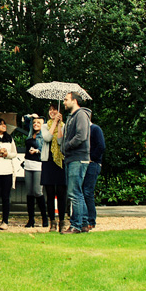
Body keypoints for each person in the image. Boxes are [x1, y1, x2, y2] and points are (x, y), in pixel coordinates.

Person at [61, 92, 92, 234]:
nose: (64, 102)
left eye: (66, 99)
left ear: (74, 101)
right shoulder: (71, 117)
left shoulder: (81, 115)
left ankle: (76, 225)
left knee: (74, 193)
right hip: (72, 158)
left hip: (78, 158)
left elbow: (81, 136)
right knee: (77, 192)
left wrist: (67, 146)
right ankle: (84, 223)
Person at [41, 104, 66, 232]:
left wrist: (59, 125)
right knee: (50, 193)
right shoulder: (45, 126)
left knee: (61, 193)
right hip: (48, 161)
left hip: (60, 161)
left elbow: (61, 141)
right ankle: (52, 222)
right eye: (50, 109)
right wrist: (54, 123)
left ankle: (62, 221)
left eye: (54, 109)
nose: (52, 112)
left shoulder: (64, 126)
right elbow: (47, 138)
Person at [22, 115, 46, 228]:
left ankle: (44, 217)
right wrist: (31, 116)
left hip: (38, 164)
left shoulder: (43, 135)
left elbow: (45, 148)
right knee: (29, 192)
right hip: (28, 164)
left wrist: (37, 151)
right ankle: (31, 219)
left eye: (38, 123)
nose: (36, 124)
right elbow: (25, 120)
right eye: (34, 122)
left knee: (37, 191)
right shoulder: (30, 133)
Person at [82, 121, 105, 230]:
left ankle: (91, 220)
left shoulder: (95, 129)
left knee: (87, 192)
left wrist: (92, 158)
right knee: (83, 191)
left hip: (93, 164)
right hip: (84, 163)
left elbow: (101, 146)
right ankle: (84, 219)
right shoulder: (82, 130)